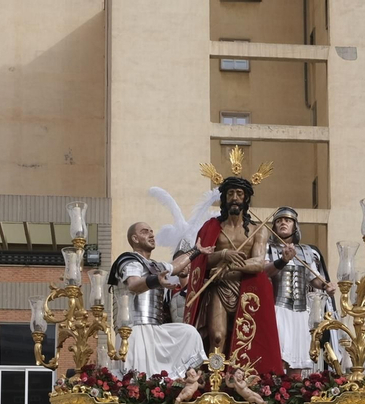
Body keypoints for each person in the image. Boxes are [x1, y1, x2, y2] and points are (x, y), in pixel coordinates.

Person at [182, 155, 285, 378]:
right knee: (217, 336)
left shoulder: (258, 229)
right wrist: (223, 254)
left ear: (246, 198)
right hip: (218, 287)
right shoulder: (211, 227)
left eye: (239, 194)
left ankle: (239, 380)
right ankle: (215, 381)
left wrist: (231, 267)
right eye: (230, 194)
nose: (235, 198)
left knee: (245, 340)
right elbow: (200, 259)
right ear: (224, 198)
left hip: (247, 289)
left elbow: (258, 263)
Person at [106, 222, 205, 377]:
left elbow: (176, 266)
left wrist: (196, 250)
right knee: (136, 378)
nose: (151, 235)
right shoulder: (129, 261)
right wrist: (155, 280)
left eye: (152, 231)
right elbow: (133, 285)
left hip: (154, 330)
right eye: (145, 232)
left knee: (189, 334)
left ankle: (170, 381)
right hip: (133, 331)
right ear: (135, 238)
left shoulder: (155, 266)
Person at [263, 206, 335, 373]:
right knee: (280, 358)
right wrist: (282, 260)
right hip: (278, 308)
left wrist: (326, 285)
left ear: (295, 226)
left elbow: (313, 277)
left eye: (287, 220)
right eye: (279, 221)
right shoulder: (268, 249)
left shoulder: (306, 251)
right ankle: (276, 389)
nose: (283, 223)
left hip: (302, 312)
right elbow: (265, 272)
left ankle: (295, 388)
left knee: (298, 362)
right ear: (274, 227)